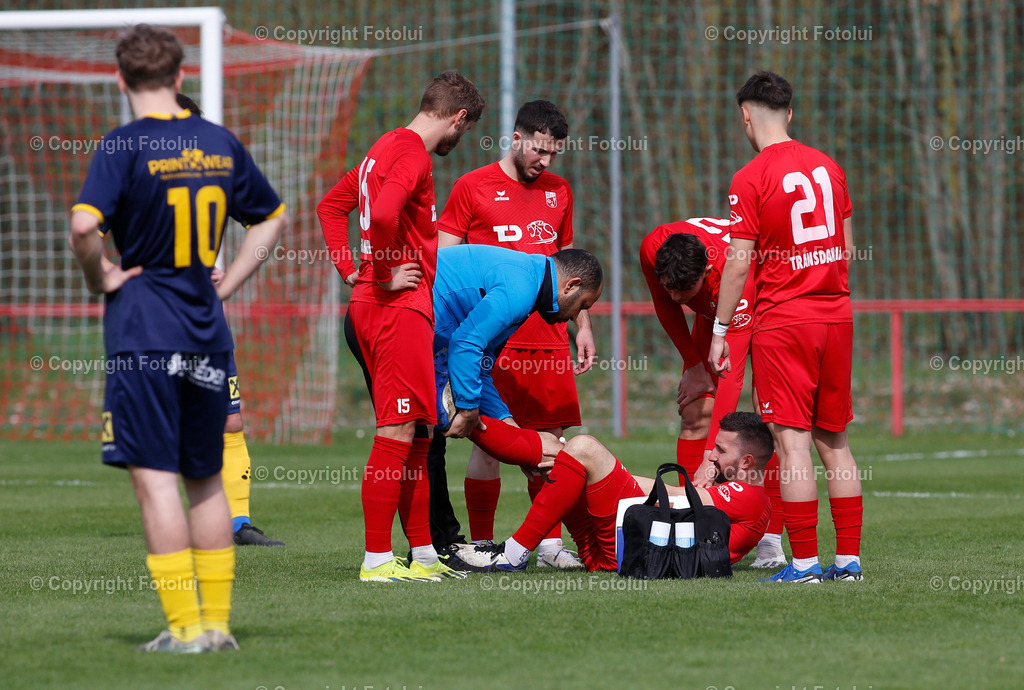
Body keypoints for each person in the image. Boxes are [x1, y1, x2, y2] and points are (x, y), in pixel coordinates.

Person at [69, 25, 286, 652]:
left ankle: (183, 628)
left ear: (120, 80)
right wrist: (230, 285)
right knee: (207, 479)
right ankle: (218, 628)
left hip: (144, 333)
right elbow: (271, 218)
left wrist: (101, 274)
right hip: (207, 333)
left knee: (156, 480)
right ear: (181, 77)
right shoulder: (218, 142)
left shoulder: (123, 146)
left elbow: (85, 227)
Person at [317, 70, 484, 583]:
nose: (461, 140)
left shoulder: (380, 150)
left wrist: (352, 270)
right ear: (458, 118)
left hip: (382, 305)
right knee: (396, 431)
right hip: (394, 309)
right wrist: (386, 273)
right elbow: (386, 214)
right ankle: (375, 560)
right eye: (466, 129)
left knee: (417, 432)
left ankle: (424, 555)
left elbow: (330, 207)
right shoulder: (411, 153)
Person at [709, 71, 863, 583]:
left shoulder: (751, 176)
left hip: (785, 321)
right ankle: (848, 561)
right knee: (835, 442)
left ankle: (802, 565)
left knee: (792, 442)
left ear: (745, 116)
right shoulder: (830, 167)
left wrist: (720, 329)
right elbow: (841, 247)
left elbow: (737, 262)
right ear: (790, 114)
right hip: (836, 315)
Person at [436, 100, 594, 567]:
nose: (545, 162)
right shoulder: (472, 186)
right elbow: (444, 260)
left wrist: (581, 325)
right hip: (485, 333)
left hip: (544, 335)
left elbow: (569, 268)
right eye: (539, 151)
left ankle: (547, 545)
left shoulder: (558, 192)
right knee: (489, 437)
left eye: (553, 155)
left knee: (547, 441)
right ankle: (481, 543)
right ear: (517, 138)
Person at [451, 412, 773, 572]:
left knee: (584, 447)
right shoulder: (731, 488)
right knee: (551, 446)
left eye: (719, 450)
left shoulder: (750, 497)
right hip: (618, 547)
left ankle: (513, 553)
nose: (711, 455)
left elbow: (674, 498)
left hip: (633, 554)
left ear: (746, 461)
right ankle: (457, 416)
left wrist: (591, 471)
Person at [641, 219, 786, 568]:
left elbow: (730, 375)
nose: (676, 297)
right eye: (669, 288)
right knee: (693, 410)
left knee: (771, 420)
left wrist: (711, 455)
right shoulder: (652, 248)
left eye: (684, 291)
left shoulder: (733, 275)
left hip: (767, 307)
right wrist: (692, 363)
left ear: (706, 272)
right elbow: (665, 303)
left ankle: (770, 540)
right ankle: (688, 525)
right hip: (712, 313)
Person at [176, 93, 283, 548]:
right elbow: (89, 231)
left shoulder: (216, 181)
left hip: (207, 319)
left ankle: (238, 523)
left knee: (229, 422)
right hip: (152, 320)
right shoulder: (133, 174)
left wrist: (226, 279)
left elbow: (267, 220)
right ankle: (181, 521)